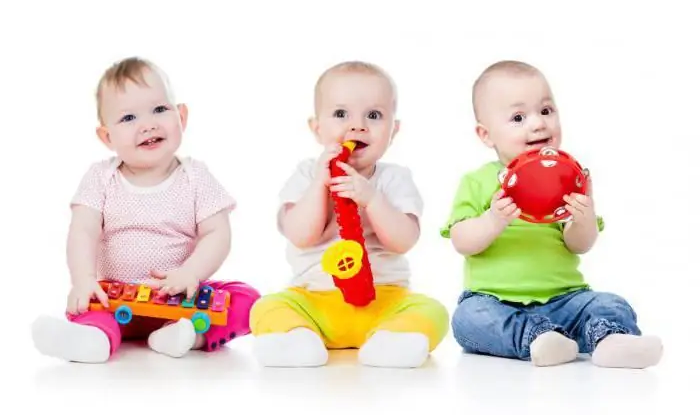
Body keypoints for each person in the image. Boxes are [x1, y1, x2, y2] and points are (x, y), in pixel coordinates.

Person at [31, 57, 260, 363]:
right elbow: (82, 231)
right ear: (107, 137)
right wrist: (83, 280)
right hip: (114, 301)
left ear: (182, 117)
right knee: (89, 307)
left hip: (181, 300)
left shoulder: (196, 176)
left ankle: (186, 335)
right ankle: (91, 340)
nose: (148, 124)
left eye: (159, 110)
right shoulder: (101, 178)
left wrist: (190, 272)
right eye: (128, 118)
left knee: (247, 299)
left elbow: (217, 233)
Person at [441, 60, 663, 368]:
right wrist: (493, 220)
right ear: (486, 134)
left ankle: (611, 340)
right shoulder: (477, 181)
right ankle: (539, 340)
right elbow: (461, 240)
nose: (538, 124)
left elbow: (579, 245)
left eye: (546, 111)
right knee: (468, 319)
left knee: (609, 303)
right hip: (495, 301)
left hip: (566, 299)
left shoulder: (566, 178)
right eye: (518, 117)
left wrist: (583, 216)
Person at [250, 61, 449, 368]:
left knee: (433, 310)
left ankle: (392, 342)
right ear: (317, 129)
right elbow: (301, 235)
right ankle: (297, 339)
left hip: (384, 300)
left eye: (374, 115)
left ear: (393, 131)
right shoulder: (306, 175)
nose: (358, 126)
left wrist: (371, 198)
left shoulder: (394, 178)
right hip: (314, 300)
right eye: (341, 114)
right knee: (266, 306)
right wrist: (320, 183)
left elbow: (404, 241)